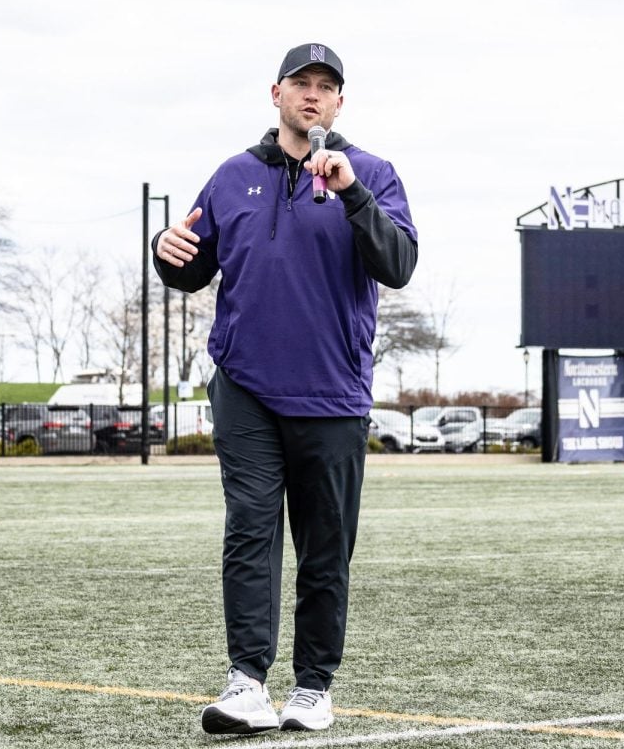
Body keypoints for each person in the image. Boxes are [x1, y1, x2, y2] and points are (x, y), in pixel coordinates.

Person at [151, 43, 417, 735]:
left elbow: (399, 265)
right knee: (249, 529)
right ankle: (245, 683)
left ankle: (312, 688)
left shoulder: (375, 175)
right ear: (276, 93)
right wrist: (163, 250)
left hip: (333, 395)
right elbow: (191, 265)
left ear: (339, 103)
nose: (313, 95)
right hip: (245, 387)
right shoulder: (234, 175)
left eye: (326, 87)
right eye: (302, 83)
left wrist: (353, 190)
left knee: (325, 546)